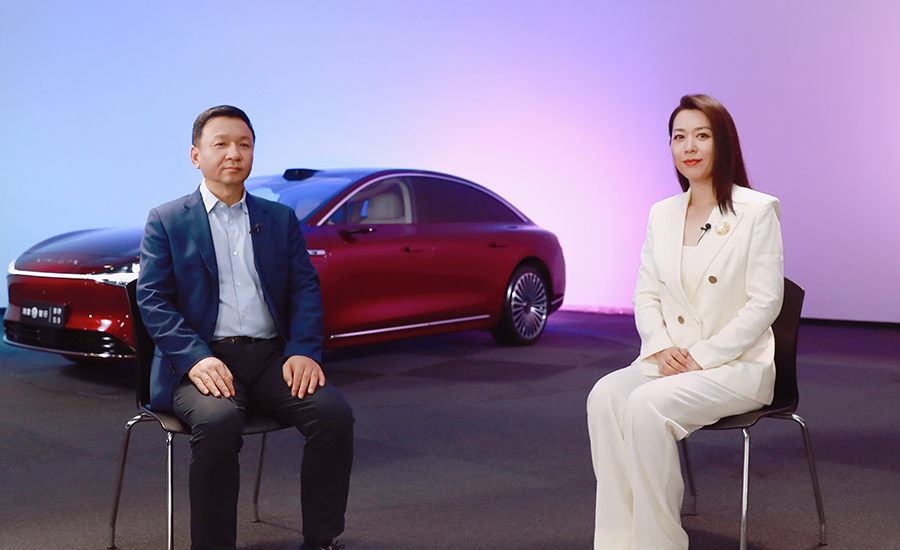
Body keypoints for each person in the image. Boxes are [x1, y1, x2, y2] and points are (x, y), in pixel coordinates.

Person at [137, 105, 354, 550]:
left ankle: (322, 540)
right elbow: (153, 300)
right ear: (196, 156)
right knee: (218, 423)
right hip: (204, 361)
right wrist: (196, 358)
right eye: (220, 144)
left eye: (244, 144)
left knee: (333, 416)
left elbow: (304, 290)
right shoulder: (168, 219)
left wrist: (303, 350)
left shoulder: (279, 219)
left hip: (273, 358)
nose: (234, 153)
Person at [586, 94, 784, 549]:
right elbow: (646, 293)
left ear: (722, 143)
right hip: (671, 358)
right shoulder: (663, 213)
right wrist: (659, 346)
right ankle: (617, 540)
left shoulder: (757, 210)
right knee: (605, 396)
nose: (688, 147)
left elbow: (765, 303)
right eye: (679, 137)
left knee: (645, 405)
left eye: (701, 135)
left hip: (735, 365)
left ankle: (658, 541)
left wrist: (701, 356)